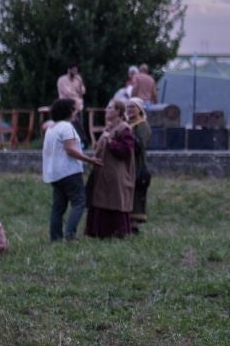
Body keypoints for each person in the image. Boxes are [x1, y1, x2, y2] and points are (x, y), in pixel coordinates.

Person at [42, 98, 97, 241]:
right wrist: (90, 160)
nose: (76, 113)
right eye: (74, 110)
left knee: (58, 208)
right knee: (79, 202)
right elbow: (70, 150)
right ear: (68, 111)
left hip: (54, 173)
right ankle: (70, 234)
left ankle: (55, 238)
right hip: (69, 171)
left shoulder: (51, 129)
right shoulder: (67, 127)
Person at [84, 104, 139, 239]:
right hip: (102, 173)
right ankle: (98, 232)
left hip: (116, 174)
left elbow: (126, 151)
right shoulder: (108, 128)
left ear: (118, 111)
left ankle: (116, 233)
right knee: (100, 200)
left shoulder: (124, 129)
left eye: (110, 108)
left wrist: (110, 141)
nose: (106, 110)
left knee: (114, 201)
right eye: (107, 107)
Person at [125, 100, 153, 224]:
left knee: (136, 193)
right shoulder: (126, 124)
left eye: (133, 107)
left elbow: (140, 144)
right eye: (128, 107)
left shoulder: (142, 125)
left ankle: (134, 222)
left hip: (137, 164)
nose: (129, 109)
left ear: (139, 109)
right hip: (126, 164)